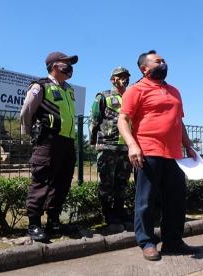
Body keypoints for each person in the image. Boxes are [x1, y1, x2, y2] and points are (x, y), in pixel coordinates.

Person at [118, 50, 198, 261]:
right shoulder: (136, 90)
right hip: (148, 151)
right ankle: (146, 242)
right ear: (144, 68)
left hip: (174, 155)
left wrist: (188, 146)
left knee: (176, 201)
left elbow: (178, 122)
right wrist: (132, 145)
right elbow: (123, 120)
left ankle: (173, 241)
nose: (163, 63)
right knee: (146, 201)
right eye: (158, 61)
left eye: (164, 60)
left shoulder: (174, 91)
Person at [20, 51, 78, 242]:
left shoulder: (69, 89)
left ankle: (53, 221)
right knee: (42, 181)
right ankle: (34, 224)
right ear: (54, 65)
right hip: (48, 141)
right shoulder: (40, 86)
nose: (70, 67)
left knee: (62, 182)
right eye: (66, 63)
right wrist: (30, 134)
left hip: (68, 142)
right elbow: (27, 111)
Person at [89, 67, 133, 233]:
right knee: (107, 182)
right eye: (120, 76)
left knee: (122, 182)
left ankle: (120, 211)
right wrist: (94, 142)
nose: (124, 79)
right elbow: (94, 120)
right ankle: (109, 215)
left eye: (126, 76)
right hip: (108, 146)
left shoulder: (131, 96)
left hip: (126, 147)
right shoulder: (103, 96)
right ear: (112, 79)